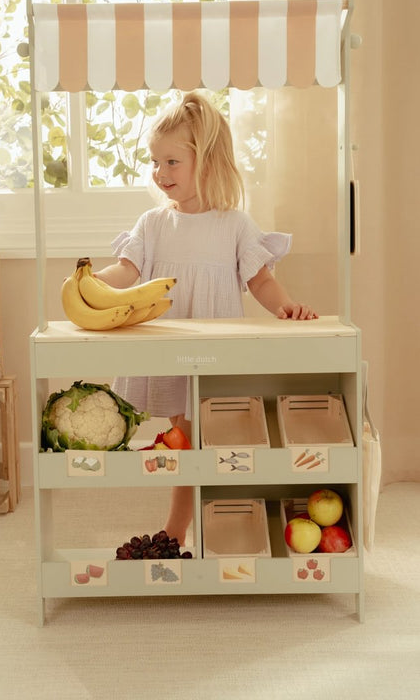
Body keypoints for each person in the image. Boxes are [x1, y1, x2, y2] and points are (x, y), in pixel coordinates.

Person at [94, 91, 318, 544]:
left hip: (216, 358)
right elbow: (127, 271)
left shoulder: (233, 224)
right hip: (173, 354)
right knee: (190, 443)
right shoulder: (153, 224)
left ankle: (203, 529)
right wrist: (90, 282)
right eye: (155, 162)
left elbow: (261, 282)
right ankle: (183, 532)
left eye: (172, 162)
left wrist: (287, 306)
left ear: (208, 161)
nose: (160, 173)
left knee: (206, 444)